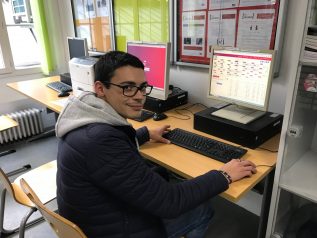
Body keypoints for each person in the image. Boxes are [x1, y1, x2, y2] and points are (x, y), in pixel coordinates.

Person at [55, 51, 257, 238]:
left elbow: (112, 147)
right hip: (115, 230)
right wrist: (224, 175)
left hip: (95, 218)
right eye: (127, 87)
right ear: (100, 88)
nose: (139, 96)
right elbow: (170, 202)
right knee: (202, 208)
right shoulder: (99, 141)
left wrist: (144, 134)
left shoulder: (86, 114)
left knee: (162, 174)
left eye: (142, 87)